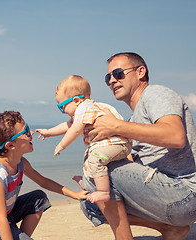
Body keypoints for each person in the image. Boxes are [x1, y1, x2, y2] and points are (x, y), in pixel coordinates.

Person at [79, 52, 196, 239]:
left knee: (102, 167)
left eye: (118, 73)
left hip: (186, 194)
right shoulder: (133, 121)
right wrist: (89, 178)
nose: (112, 81)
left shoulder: (156, 94)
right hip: (164, 195)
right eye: (107, 77)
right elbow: (131, 164)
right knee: (91, 204)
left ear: (140, 72)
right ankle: (169, 228)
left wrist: (117, 126)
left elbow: (175, 136)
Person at [0, 111, 88, 240]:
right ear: (10, 145)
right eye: (26, 131)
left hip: (6, 214)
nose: (32, 133)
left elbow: (44, 182)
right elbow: (0, 219)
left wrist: (75, 195)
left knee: (38, 198)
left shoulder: (21, 162)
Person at [36, 75, 132, 203]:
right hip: (108, 145)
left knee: (95, 159)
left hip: (117, 144)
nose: (63, 111)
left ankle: (103, 192)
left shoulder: (85, 108)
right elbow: (67, 125)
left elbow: (74, 130)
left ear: (76, 100)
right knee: (89, 158)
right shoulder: (83, 111)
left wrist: (61, 145)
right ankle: (88, 184)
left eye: (62, 107)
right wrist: (48, 132)